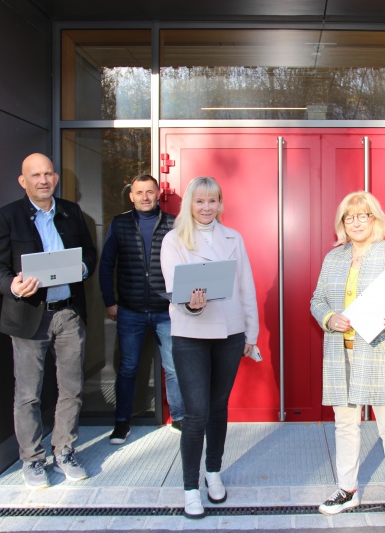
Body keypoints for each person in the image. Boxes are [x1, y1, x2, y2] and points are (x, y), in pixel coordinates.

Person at [0, 153, 96, 489]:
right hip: (28, 316)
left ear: (56, 178)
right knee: (28, 394)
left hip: (67, 312)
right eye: (36, 175)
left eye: (49, 174)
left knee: (72, 389)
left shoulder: (71, 212)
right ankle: (32, 460)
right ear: (23, 181)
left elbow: (89, 253)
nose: (44, 180)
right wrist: (12, 286)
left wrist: (82, 268)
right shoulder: (7, 216)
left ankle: (64, 451)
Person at [310, 191, 385, 526]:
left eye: (364, 216)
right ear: (342, 223)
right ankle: (347, 489)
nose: (357, 222)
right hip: (341, 353)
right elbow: (317, 299)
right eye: (350, 217)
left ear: (375, 219)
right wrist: (329, 317)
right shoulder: (334, 259)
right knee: (345, 424)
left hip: (380, 351)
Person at [160, 176, 259, 519]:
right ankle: (190, 488)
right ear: (189, 203)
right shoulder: (174, 240)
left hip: (230, 333)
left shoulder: (234, 238)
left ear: (220, 204)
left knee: (218, 407)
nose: (206, 207)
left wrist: (251, 334)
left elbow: (246, 286)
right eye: (200, 201)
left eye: (212, 201)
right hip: (191, 334)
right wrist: (194, 304)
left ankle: (213, 472)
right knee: (197, 411)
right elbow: (176, 288)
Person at [98, 174, 184, 445]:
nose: (145, 196)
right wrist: (109, 301)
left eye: (150, 191)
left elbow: (185, 263)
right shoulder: (120, 223)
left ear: (158, 194)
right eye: (139, 192)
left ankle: (179, 418)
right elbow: (106, 265)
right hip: (130, 310)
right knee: (128, 367)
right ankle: (122, 422)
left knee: (173, 367)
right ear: (131, 196)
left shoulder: (173, 223)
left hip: (165, 310)